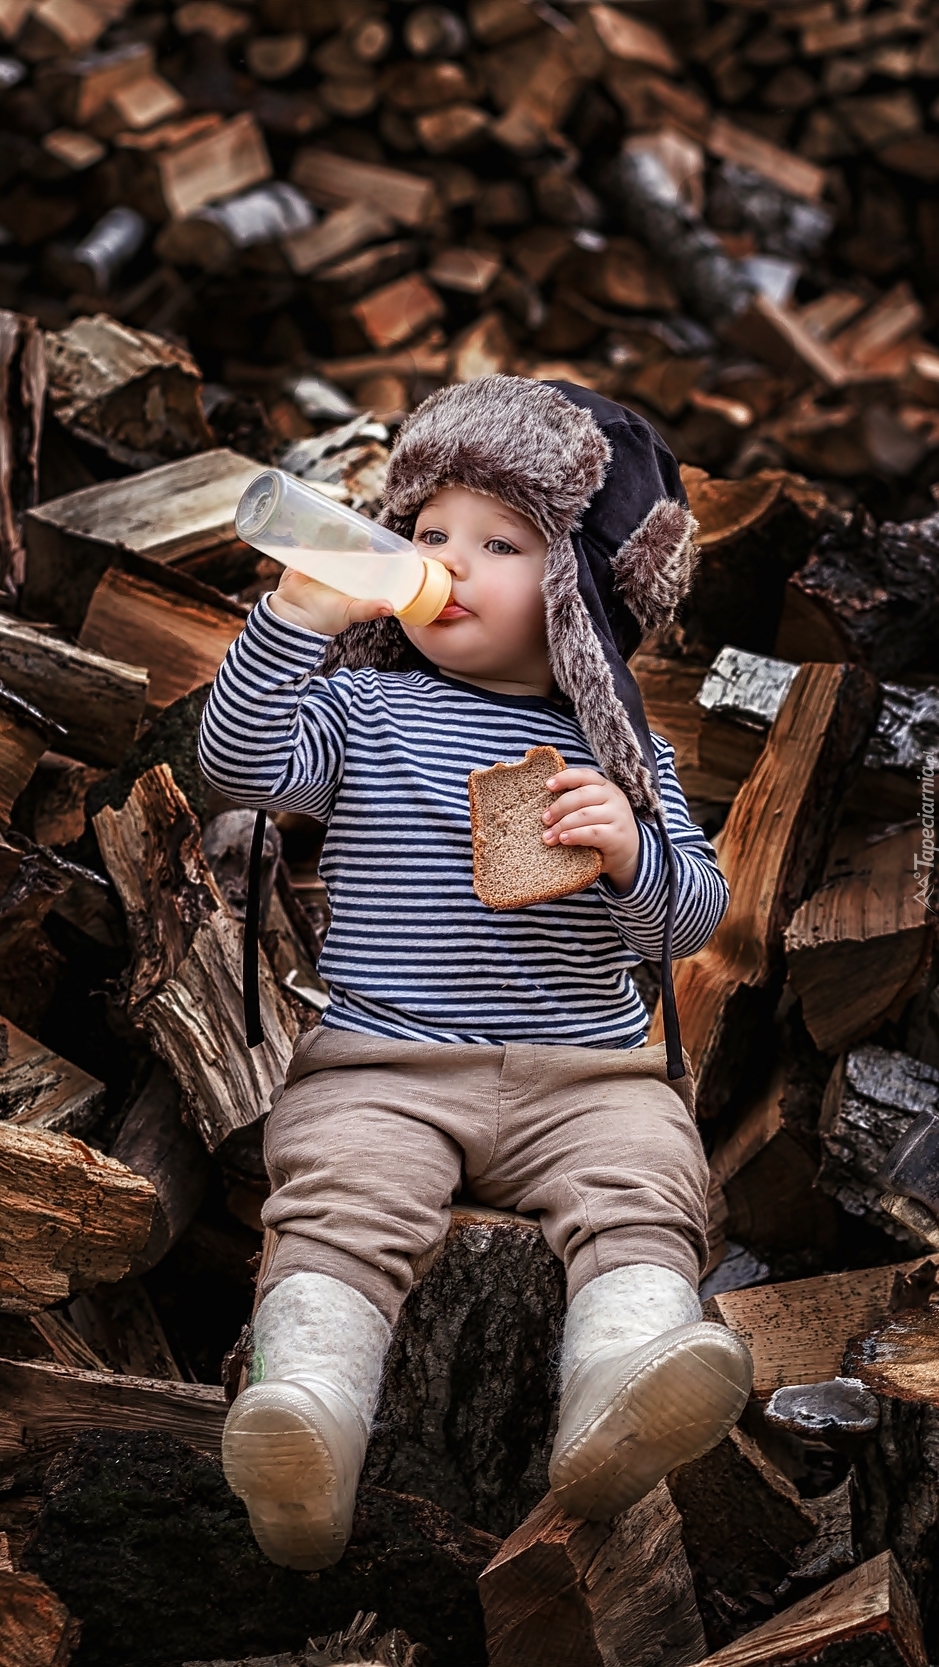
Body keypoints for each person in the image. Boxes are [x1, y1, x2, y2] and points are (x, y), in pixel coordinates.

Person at [198, 374, 753, 1572]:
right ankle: (308, 1409)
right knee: (343, 1191)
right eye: (429, 530)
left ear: (582, 592)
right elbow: (239, 763)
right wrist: (293, 616)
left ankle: (624, 1375)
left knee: (648, 1179)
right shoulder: (362, 707)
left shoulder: (626, 753)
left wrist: (626, 850)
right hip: (386, 1060)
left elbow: (692, 917)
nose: (448, 561)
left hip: (590, 1076)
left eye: (501, 541)